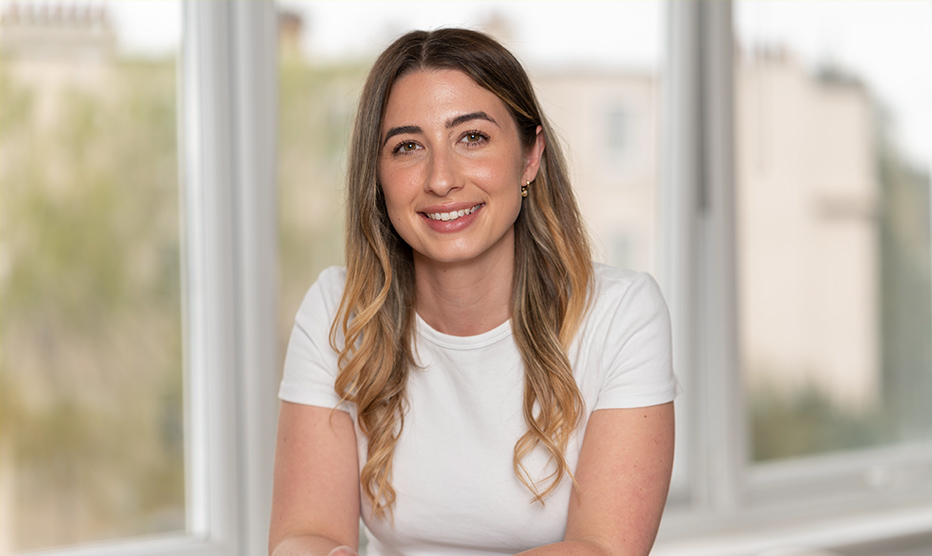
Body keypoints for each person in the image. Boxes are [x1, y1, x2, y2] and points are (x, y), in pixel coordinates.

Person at [269, 28, 679, 556]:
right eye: (408, 146)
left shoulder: (622, 316)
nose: (441, 179)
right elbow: (306, 535)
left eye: (472, 138)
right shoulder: (337, 308)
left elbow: (601, 549)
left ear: (530, 157)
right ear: (377, 175)